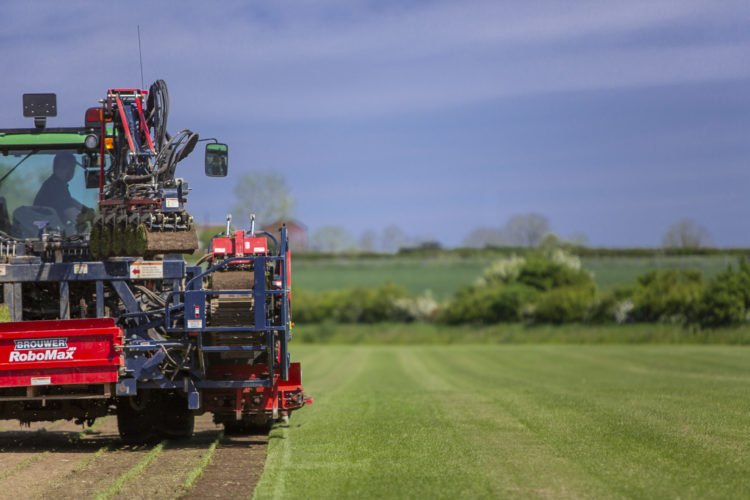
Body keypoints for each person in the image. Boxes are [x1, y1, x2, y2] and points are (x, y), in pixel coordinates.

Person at [34, 152, 91, 226]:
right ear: (55, 168)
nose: (69, 171)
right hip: (48, 230)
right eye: (64, 167)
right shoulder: (55, 186)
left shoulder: (55, 184)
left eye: (71, 168)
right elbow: (72, 214)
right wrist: (89, 221)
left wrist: (87, 210)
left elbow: (70, 201)